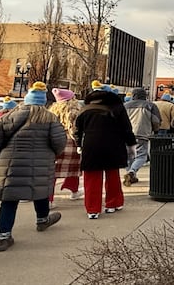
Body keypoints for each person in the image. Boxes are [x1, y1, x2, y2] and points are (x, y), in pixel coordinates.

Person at [0, 82, 66, 251]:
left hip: (10, 161)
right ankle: (42, 219)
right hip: (40, 160)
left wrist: (3, 151)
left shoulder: (8, 116)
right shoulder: (49, 119)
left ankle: (3, 236)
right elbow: (59, 142)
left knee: (9, 199)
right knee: (40, 190)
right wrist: (52, 153)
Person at [75, 83, 136, 219]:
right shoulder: (117, 107)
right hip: (113, 144)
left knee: (91, 177)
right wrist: (131, 144)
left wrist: (79, 144)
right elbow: (126, 127)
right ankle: (113, 204)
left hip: (91, 144)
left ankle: (92, 209)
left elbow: (77, 129)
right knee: (112, 175)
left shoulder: (85, 108)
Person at [48, 88, 83, 204]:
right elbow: (75, 129)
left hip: (56, 141)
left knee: (52, 173)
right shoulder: (74, 111)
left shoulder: (52, 111)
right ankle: (74, 190)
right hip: (71, 142)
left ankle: (49, 199)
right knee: (74, 168)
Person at [123, 88, 161, 187]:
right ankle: (132, 172)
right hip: (142, 133)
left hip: (126, 134)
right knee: (141, 156)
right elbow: (156, 121)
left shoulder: (125, 106)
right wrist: (155, 130)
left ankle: (130, 174)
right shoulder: (150, 105)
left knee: (129, 156)